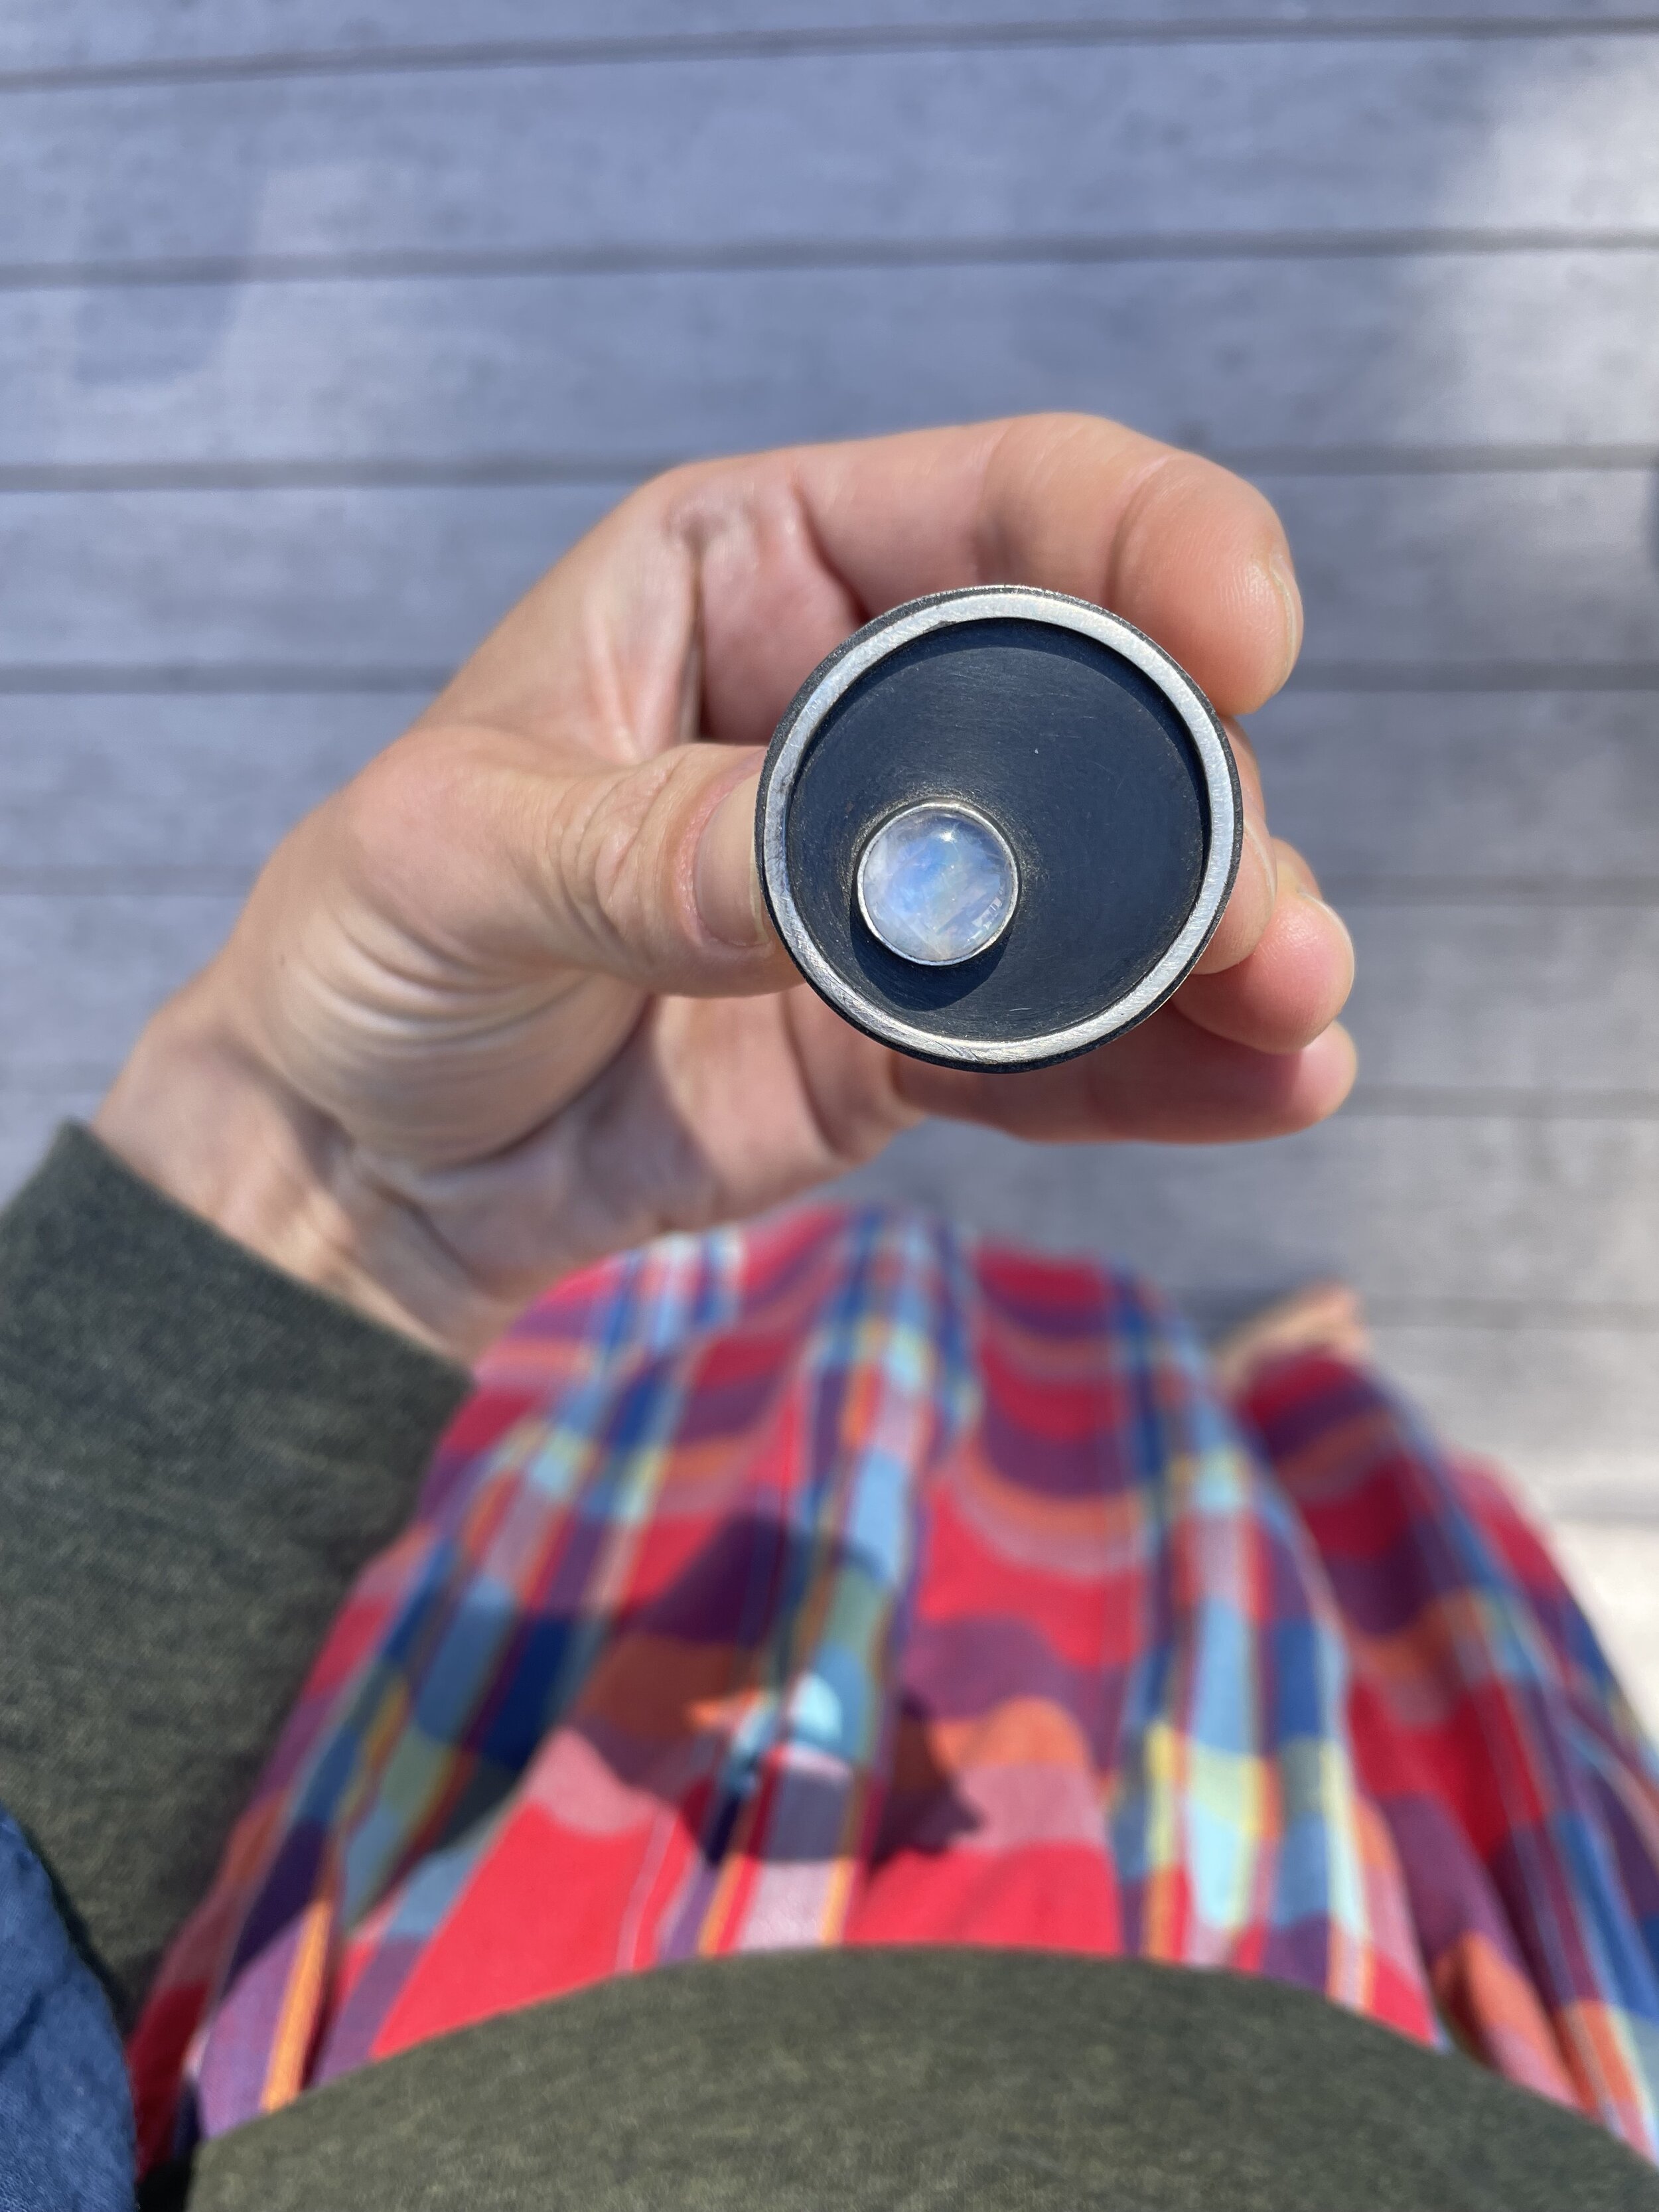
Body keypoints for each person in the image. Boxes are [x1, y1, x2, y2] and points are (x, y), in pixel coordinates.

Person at [3, 417, 1656, 2210]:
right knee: (1332, 1552)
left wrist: (318, 1185)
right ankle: (1247, 1413)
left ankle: (1203, 1403)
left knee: (745, 1397)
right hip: (1337, 1955)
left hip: (362, 1796)